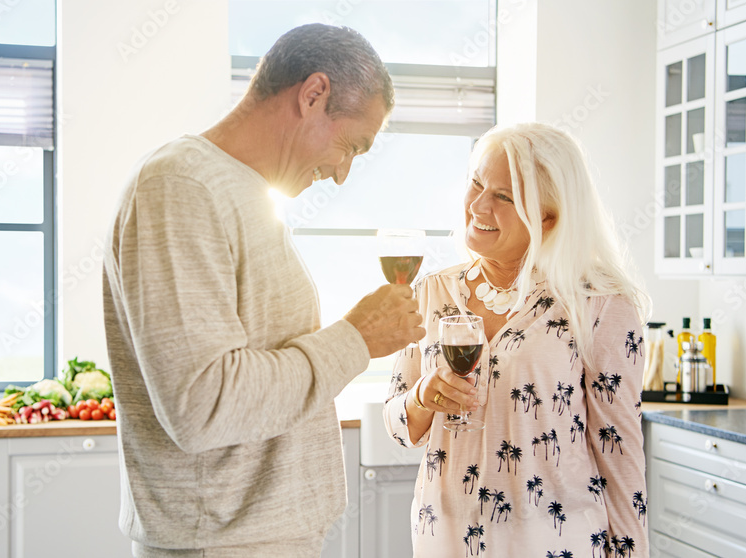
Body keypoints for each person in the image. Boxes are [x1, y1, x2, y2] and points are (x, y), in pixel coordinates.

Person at [102, 23, 424, 557]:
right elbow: (203, 405)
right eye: (350, 146)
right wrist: (356, 339)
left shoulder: (242, 194)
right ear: (313, 94)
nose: (343, 173)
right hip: (222, 544)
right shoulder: (179, 187)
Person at [384, 122, 651, 557]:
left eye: (504, 197)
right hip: (444, 540)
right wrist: (420, 398)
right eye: (476, 184)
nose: (479, 206)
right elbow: (398, 427)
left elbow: (618, 452)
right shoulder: (430, 291)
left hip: (554, 541)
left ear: (549, 218)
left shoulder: (598, 304)